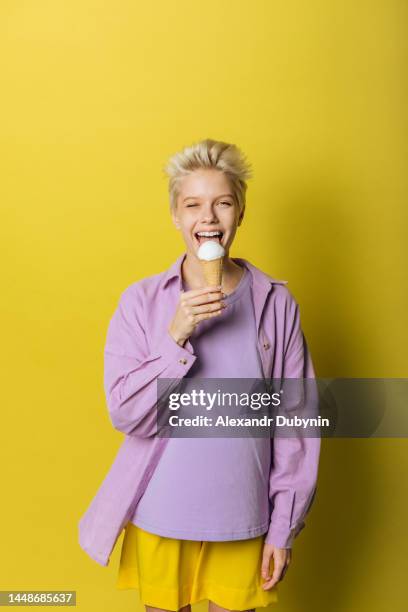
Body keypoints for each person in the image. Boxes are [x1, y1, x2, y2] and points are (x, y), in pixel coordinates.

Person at [109, 138, 321, 612]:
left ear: (240, 212)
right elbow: (124, 412)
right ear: (175, 216)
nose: (208, 217)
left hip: (244, 515)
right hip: (161, 514)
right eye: (193, 205)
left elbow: (297, 424)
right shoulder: (140, 303)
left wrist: (283, 526)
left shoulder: (276, 304)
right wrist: (175, 338)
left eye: (222, 203)